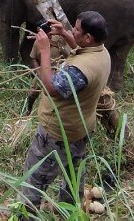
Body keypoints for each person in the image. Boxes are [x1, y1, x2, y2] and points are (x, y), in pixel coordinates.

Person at [20, 12, 111, 211]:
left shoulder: (79, 70)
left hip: (58, 132)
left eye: (76, 29)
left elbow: (52, 88)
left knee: (36, 176)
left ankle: (27, 212)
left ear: (88, 37)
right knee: (74, 172)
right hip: (81, 127)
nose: (73, 30)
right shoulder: (101, 53)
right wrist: (64, 34)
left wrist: (44, 50)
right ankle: (68, 209)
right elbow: (81, 50)